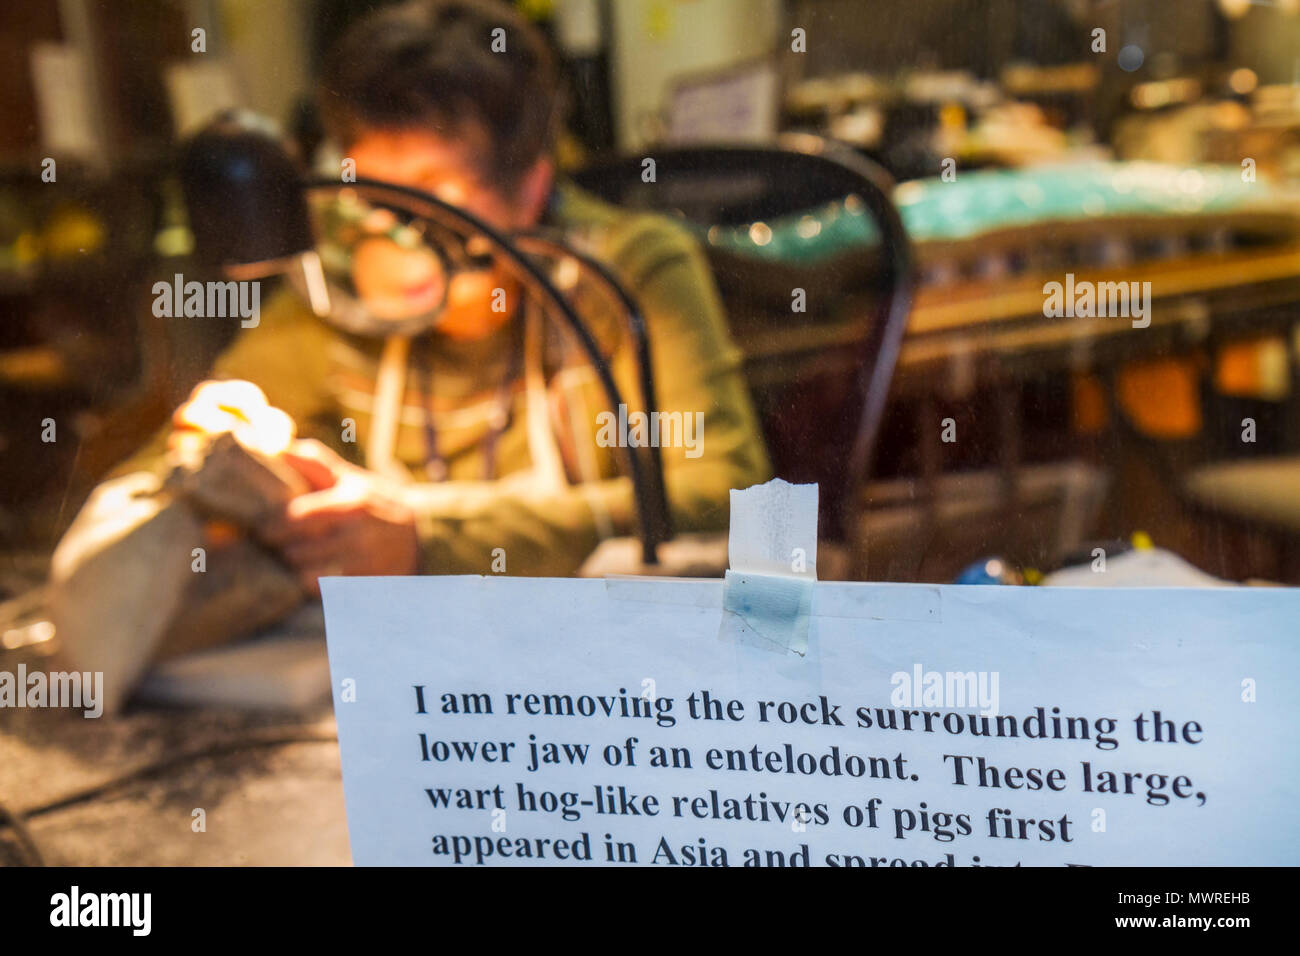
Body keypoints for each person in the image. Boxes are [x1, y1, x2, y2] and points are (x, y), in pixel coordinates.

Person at [104, 0, 770, 598]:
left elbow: (725, 499)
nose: (390, 233)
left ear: (531, 189)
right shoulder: (333, 297)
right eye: (371, 194)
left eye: (427, 195)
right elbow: (167, 460)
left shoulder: (618, 276)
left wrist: (428, 534)